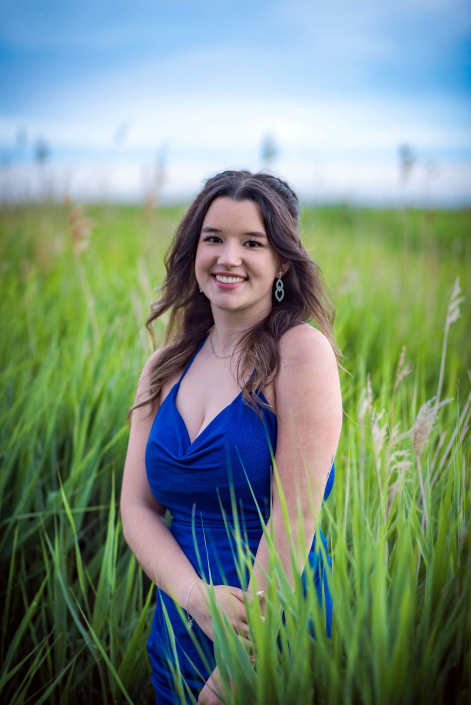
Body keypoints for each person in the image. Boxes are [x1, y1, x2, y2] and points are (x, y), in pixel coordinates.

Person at [120, 170, 343, 705]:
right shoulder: (162, 368)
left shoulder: (301, 353)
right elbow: (137, 508)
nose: (228, 257)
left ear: (282, 260)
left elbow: (297, 518)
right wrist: (196, 600)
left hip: (273, 632)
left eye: (253, 243)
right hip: (179, 626)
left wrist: (237, 668)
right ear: (193, 248)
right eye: (214, 238)